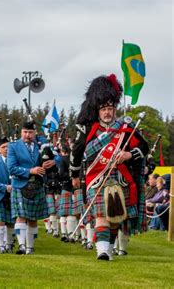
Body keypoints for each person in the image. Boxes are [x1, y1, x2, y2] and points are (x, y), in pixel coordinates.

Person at [70, 74, 148, 261]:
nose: (107, 112)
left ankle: (108, 247)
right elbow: (78, 152)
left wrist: (128, 154)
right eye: (104, 108)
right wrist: (74, 174)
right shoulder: (88, 129)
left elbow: (143, 147)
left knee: (115, 219)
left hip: (120, 178)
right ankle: (102, 251)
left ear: (115, 109)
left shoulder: (126, 127)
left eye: (111, 108)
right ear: (98, 109)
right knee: (101, 215)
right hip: (96, 178)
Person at [8, 121, 53, 255]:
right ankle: (21, 245)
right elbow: (11, 168)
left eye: (30, 132)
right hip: (20, 185)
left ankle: (30, 248)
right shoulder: (14, 146)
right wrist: (30, 171)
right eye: (25, 132)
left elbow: (55, 157)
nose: (27, 135)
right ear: (21, 132)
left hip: (37, 185)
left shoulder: (41, 145)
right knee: (20, 216)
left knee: (33, 219)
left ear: (35, 133)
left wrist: (53, 161)